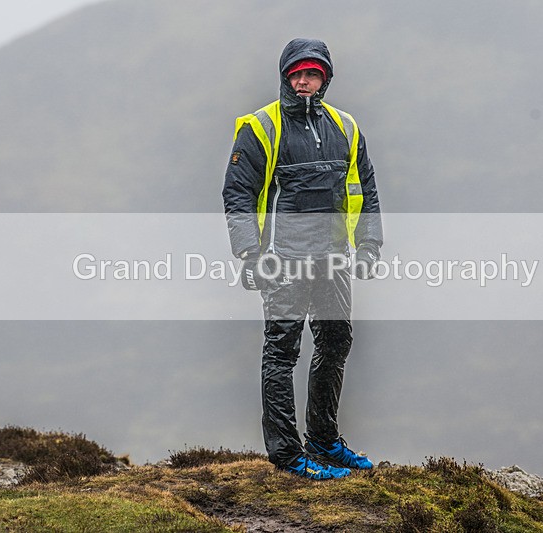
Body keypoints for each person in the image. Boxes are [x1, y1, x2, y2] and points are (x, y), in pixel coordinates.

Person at [222, 38, 383, 480]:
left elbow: (364, 188)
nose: (305, 81)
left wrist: (369, 244)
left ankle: (325, 442)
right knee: (282, 351)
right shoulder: (260, 128)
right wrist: (248, 254)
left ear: (325, 78)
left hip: (333, 259)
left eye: (313, 73)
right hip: (282, 260)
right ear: (285, 77)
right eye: (297, 74)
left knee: (335, 343)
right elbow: (238, 194)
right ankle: (288, 456)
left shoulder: (346, 127)